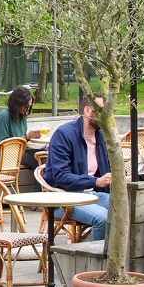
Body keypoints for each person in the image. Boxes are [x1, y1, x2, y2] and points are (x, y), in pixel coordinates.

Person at [44, 96, 112, 239]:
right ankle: (93, 259)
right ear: (87, 110)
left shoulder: (101, 136)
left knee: (129, 209)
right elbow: (61, 175)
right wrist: (95, 182)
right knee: (103, 218)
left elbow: (109, 169)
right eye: (101, 111)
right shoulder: (64, 134)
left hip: (94, 195)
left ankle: (97, 251)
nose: (106, 116)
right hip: (65, 199)